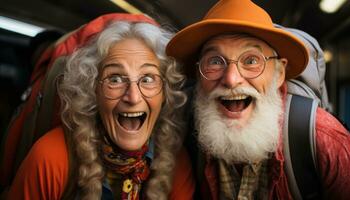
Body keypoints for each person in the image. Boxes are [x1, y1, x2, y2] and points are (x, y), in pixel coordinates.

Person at [166, 0, 350, 199]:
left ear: (279, 73)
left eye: (251, 61)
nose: (231, 79)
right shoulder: (185, 134)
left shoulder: (323, 137)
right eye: (215, 61)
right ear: (199, 75)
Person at [6, 14, 194, 199]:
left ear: (164, 93)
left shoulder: (175, 161)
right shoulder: (51, 157)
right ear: (93, 90)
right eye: (115, 79)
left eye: (147, 79)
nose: (133, 97)